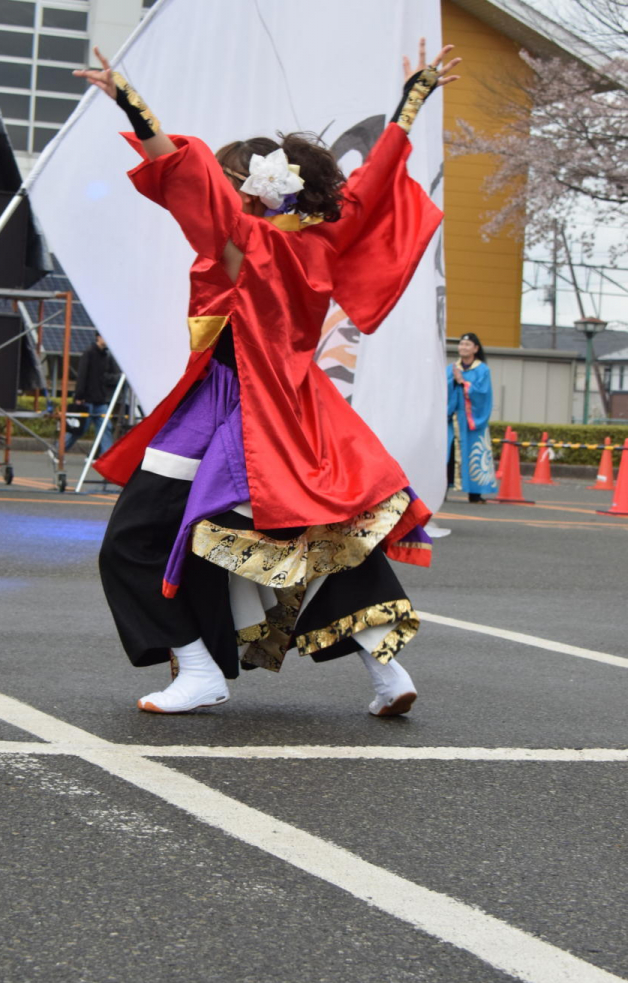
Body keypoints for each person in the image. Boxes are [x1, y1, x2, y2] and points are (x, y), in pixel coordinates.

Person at [77, 39, 460, 716]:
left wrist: (136, 108)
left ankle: (197, 668)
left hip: (231, 408)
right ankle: (388, 674)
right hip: (302, 409)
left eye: (229, 180)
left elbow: (185, 180)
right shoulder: (326, 239)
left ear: (246, 192)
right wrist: (412, 103)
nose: (218, 189)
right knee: (331, 536)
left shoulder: (246, 242)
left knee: (133, 540)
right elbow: (369, 188)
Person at [447, 332, 497, 503]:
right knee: (449, 453)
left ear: (475, 349)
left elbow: (483, 393)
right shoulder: (452, 368)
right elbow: (444, 390)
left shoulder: (482, 370)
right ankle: (443, 490)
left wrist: (464, 382)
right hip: (453, 418)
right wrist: (453, 381)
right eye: (461, 344)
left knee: (475, 453)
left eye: (467, 345)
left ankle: (475, 493)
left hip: (472, 419)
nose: (463, 347)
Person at [64, 332, 119, 453]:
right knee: (79, 428)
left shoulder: (105, 355)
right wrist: (79, 395)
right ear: (98, 337)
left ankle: (106, 458)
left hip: (100, 399)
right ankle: (58, 449)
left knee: (106, 428)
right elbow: (82, 376)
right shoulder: (89, 353)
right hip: (87, 399)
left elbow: (106, 377)